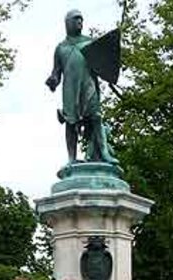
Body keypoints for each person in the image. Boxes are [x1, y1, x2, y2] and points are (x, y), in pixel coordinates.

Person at [46, 9, 118, 165]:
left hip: (89, 85)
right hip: (70, 90)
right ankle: (71, 158)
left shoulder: (90, 42)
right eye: (76, 19)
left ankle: (104, 152)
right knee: (70, 123)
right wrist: (53, 80)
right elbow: (57, 72)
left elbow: (102, 64)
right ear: (68, 23)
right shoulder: (61, 48)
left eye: (81, 20)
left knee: (96, 117)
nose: (80, 22)